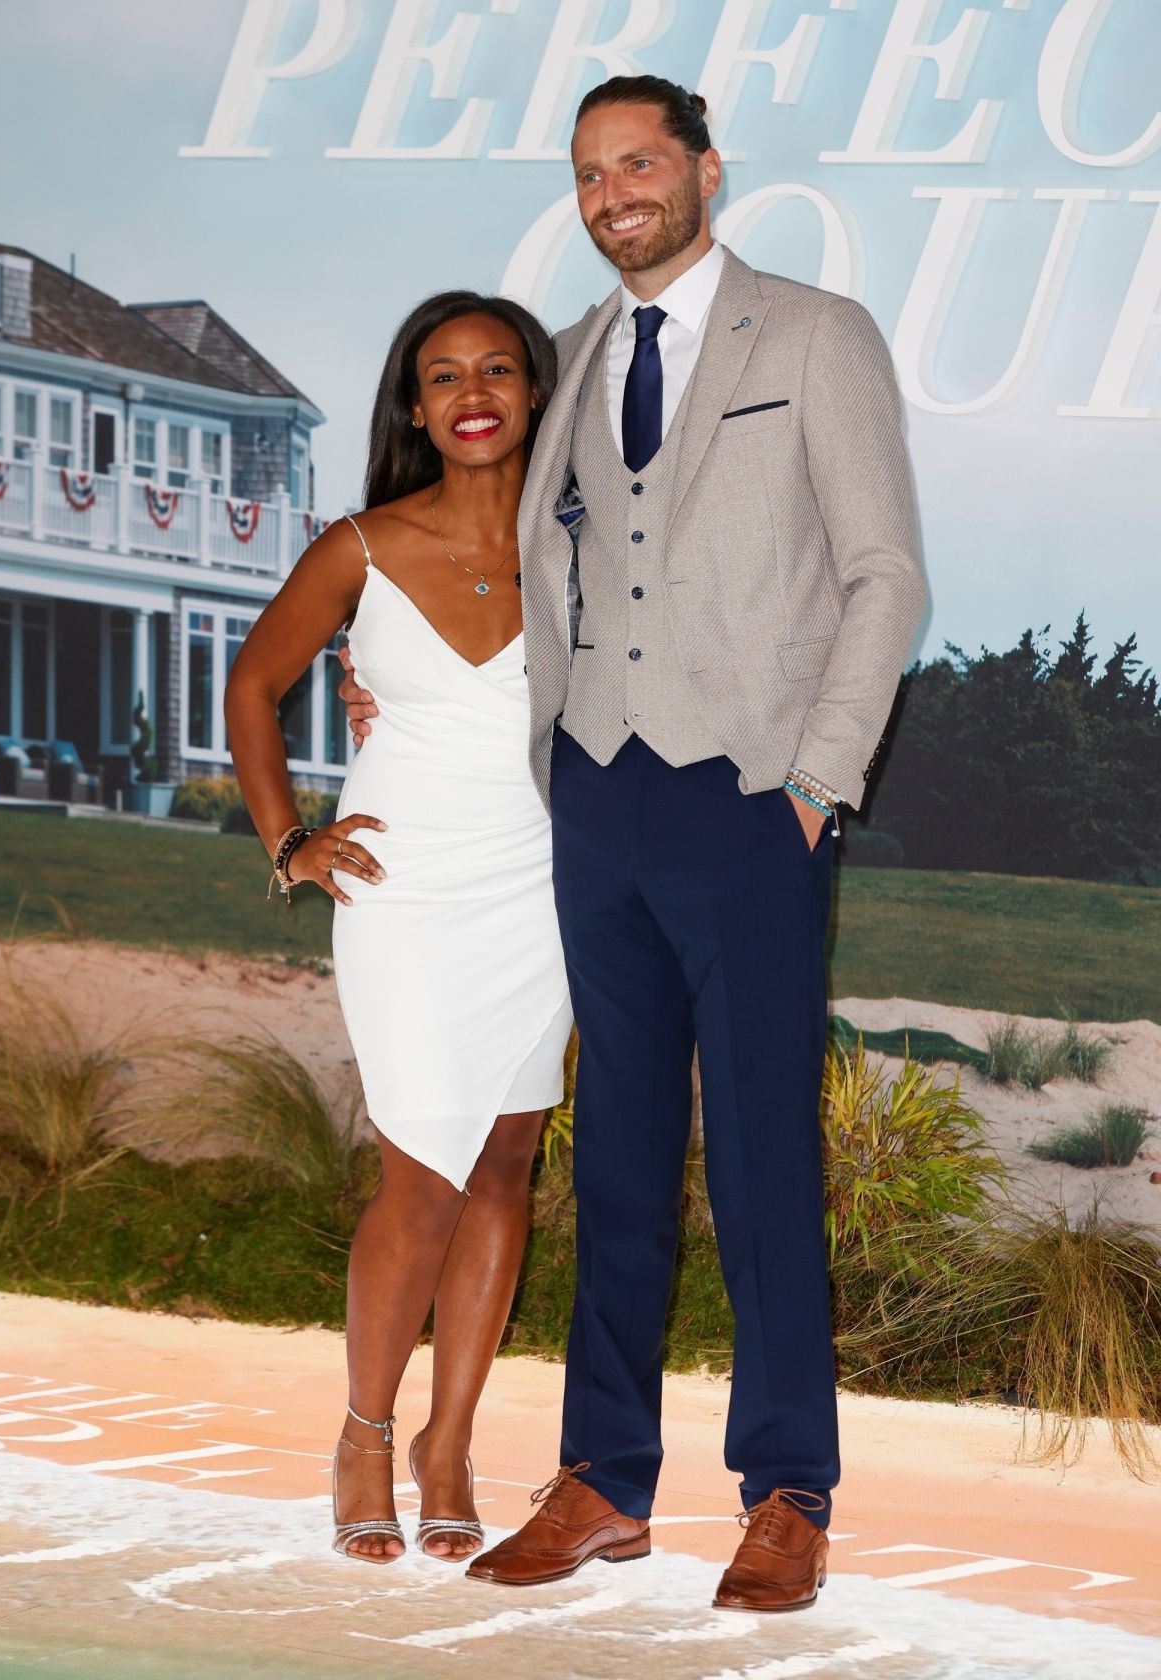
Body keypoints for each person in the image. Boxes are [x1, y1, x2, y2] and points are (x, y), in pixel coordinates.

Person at [340, 74, 925, 1612]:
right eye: (592, 173)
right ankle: (606, 1477)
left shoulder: (816, 337)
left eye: (640, 164)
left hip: (753, 802)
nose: (615, 194)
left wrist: (816, 783)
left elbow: (885, 577)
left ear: (705, 170)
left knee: (756, 1157)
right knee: (615, 1161)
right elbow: (497, 549)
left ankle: (788, 1490)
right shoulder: (574, 361)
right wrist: (383, 656)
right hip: (594, 799)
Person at [225, 291, 570, 1567]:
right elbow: (254, 685)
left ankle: (451, 1442)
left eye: (496, 369)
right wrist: (288, 842)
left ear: (536, 390)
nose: (472, 391)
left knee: (506, 1166)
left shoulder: (583, 549)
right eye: (442, 375)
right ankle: (366, 1430)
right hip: (405, 887)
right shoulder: (359, 548)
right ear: (414, 406)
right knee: (421, 1169)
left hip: (542, 881)